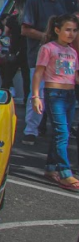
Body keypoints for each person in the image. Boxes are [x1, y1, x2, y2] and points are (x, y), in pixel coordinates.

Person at [29, 13, 79, 190]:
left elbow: (75, 75)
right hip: (54, 94)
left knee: (60, 132)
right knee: (62, 133)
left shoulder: (72, 51)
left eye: (74, 30)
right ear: (57, 30)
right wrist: (35, 96)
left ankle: (51, 167)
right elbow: (38, 73)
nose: (71, 34)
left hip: (70, 95)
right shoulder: (48, 48)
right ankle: (65, 172)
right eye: (67, 30)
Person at [21, 0, 69, 144]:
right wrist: (48, 38)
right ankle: (31, 130)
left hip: (61, 56)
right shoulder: (34, 2)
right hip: (40, 57)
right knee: (38, 93)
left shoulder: (59, 1)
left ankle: (60, 127)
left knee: (61, 91)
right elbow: (25, 30)